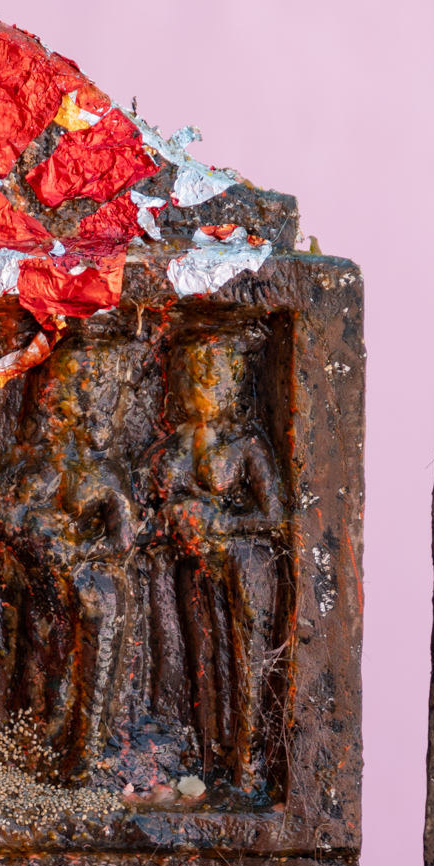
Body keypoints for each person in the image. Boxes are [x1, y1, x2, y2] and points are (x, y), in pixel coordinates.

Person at [0, 337, 137, 776]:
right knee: (42, 663)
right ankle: (40, 741)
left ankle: (86, 748)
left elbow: (123, 538)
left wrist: (79, 551)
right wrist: (35, 536)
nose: (69, 406)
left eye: (81, 394)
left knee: (94, 667)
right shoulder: (32, 466)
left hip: (94, 586)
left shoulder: (105, 471)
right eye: (62, 393)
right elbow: (5, 517)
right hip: (39, 583)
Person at [148, 334, 284, 790]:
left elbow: (275, 515)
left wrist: (220, 518)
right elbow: (156, 502)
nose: (203, 384)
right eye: (194, 375)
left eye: (214, 375)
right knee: (200, 656)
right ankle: (205, 750)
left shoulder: (246, 445)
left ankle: (249, 756)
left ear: (234, 385)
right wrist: (174, 516)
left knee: (247, 660)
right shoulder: (176, 444)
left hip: (243, 564)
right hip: (192, 566)